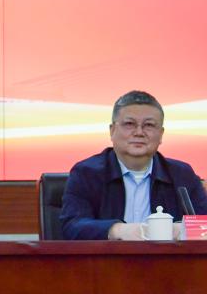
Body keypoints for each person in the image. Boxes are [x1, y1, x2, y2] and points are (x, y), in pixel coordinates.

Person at [60, 90, 207, 240]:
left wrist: (181, 230)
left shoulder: (182, 175)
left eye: (149, 125)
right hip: (108, 255)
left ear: (161, 134)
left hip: (166, 255)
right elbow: (72, 227)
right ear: (112, 131)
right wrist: (117, 230)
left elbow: (204, 226)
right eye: (129, 124)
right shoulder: (86, 173)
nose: (139, 132)